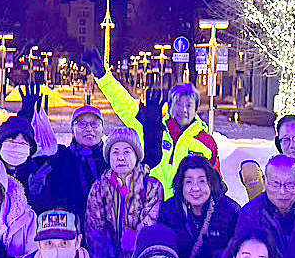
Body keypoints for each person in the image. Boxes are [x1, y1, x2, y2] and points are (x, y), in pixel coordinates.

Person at [80, 49, 219, 189]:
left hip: (185, 203)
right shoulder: (152, 126)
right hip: (150, 200)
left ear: (196, 108)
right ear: (170, 106)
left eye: (189, 105)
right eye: (178, 104)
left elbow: (216, 184)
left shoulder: (206, 142)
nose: (183, 110)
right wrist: (103, 76)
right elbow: (124, 104)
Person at [84, 126, 166, 258]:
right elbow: (94, 229)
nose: (120, 157)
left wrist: (134, 242)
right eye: (115, 152)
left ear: (137, 155)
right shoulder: (99, 187)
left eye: (127, 152)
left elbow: (151, 224)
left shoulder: (152, 186)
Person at [157, 154, 241, 258]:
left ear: (211, 183)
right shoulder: (169, 210)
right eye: (189, 182)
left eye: (202, 181)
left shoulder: (230, 211)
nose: (195, 188)